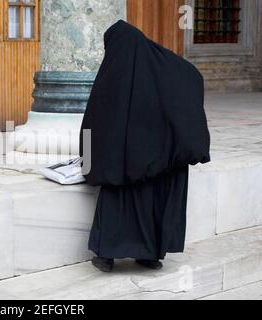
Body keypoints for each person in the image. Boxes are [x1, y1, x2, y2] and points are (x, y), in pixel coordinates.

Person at [80, 20, 211, 272]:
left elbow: (95, 123)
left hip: (124, 166)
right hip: (159, 161)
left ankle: (107, 255)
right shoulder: (169, 68)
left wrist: (89, 159)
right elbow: (192, 79)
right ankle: (150, 254)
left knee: (117, 194)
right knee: (155, 194)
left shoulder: (114, 75)